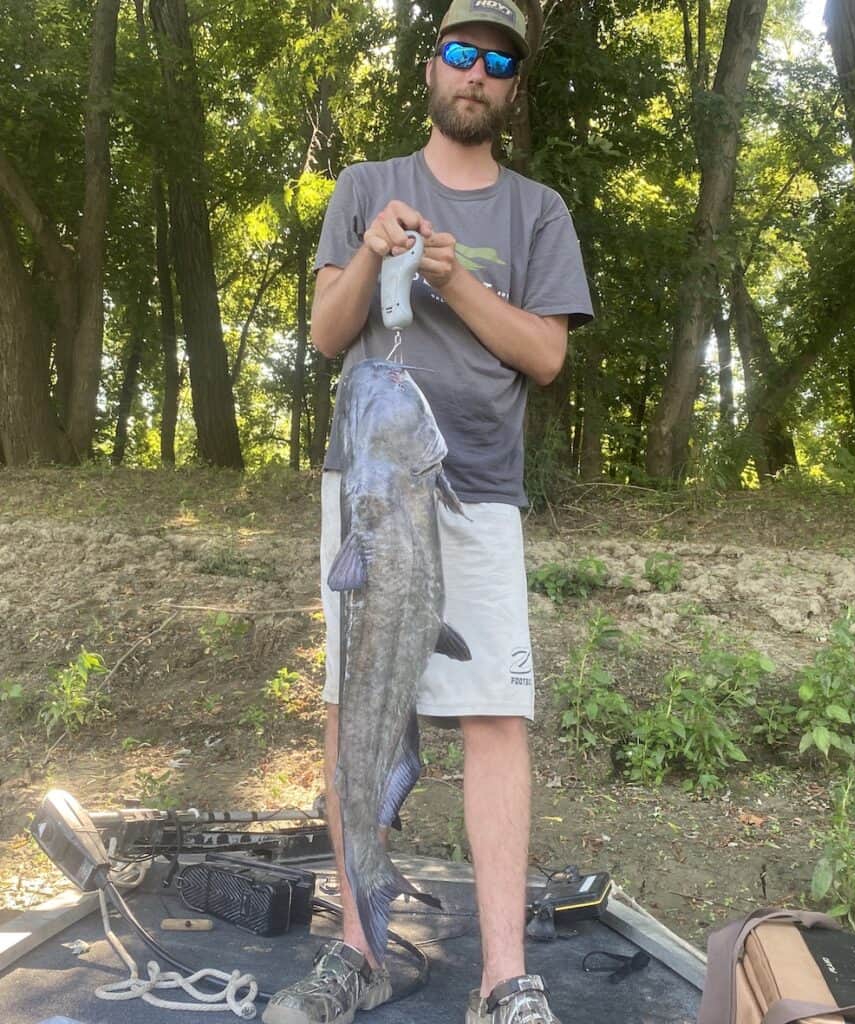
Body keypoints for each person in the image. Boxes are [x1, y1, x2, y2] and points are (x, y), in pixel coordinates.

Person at [263, 1, 593, 1021]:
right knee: (353, 706)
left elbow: (545, 355)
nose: (478, 71)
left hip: (481, 493)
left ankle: (504, 980)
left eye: (499, 61)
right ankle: (357, 949)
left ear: (511, 88)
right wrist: (372, 253)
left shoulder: (537, 213)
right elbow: (326, 334)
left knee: (496, 714)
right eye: (462, 51)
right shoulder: (366, 187)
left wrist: (455, 285)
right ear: (430, 67)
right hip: (367, 500)